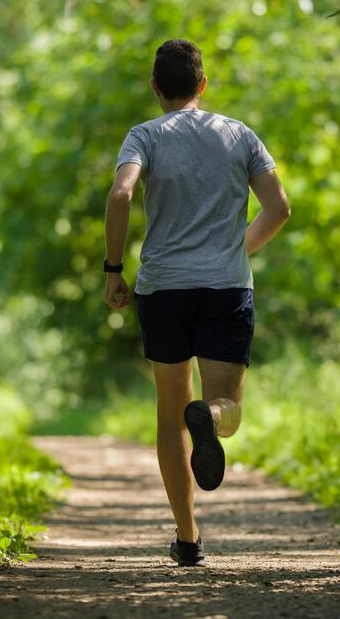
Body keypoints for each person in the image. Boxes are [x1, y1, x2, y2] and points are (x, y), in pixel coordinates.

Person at [101, 39, 291, 567]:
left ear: (156, 88)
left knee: (168, 414)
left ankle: (188, 537)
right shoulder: (237, 134)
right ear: (202, 85)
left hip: (162, 288)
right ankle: (206, 415)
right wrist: (237, 249)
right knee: (225, 410)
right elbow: (278, 207)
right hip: (225, 286)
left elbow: (120, 195)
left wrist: (113, 269)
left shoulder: (144, 136)